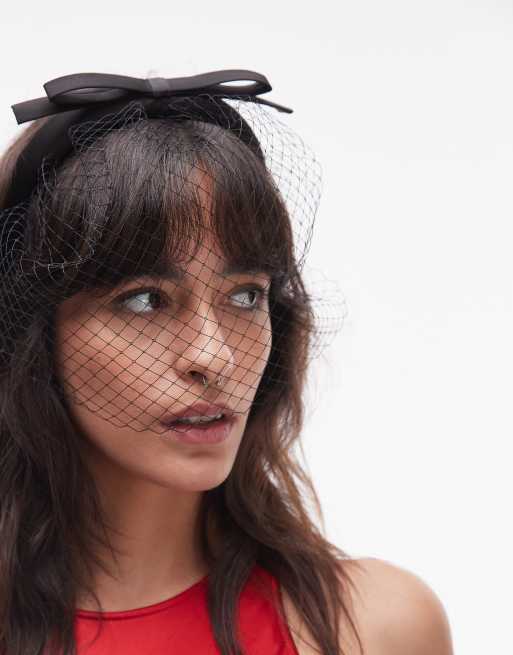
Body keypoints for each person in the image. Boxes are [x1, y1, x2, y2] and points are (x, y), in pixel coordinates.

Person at [0, 70, 453, 654]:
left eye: (244, 296)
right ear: (31, 335)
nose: (213, 356)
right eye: (145, 301)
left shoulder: (375, 627)